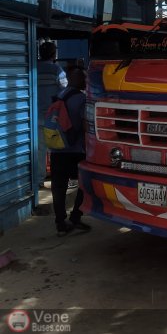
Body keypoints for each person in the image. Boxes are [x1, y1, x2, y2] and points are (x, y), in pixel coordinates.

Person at [50, 64, 90, 236]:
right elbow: (85, 124)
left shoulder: (59, 95)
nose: (86, 81)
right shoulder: (81, 99)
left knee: (58, 188)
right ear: (78, 79)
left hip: (57, 149)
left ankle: (60, 223)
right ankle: (75, 217)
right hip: (75, 150)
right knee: (84, 185)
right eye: (84, 78)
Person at [36, 41, 67, 188]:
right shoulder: (56, 70)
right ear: (53, 54)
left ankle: (39, 180)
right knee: (56, 147)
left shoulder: (34, 68)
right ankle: (58, 179)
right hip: (52, 117)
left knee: (40, 149)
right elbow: (64, 89)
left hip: (36, 116)